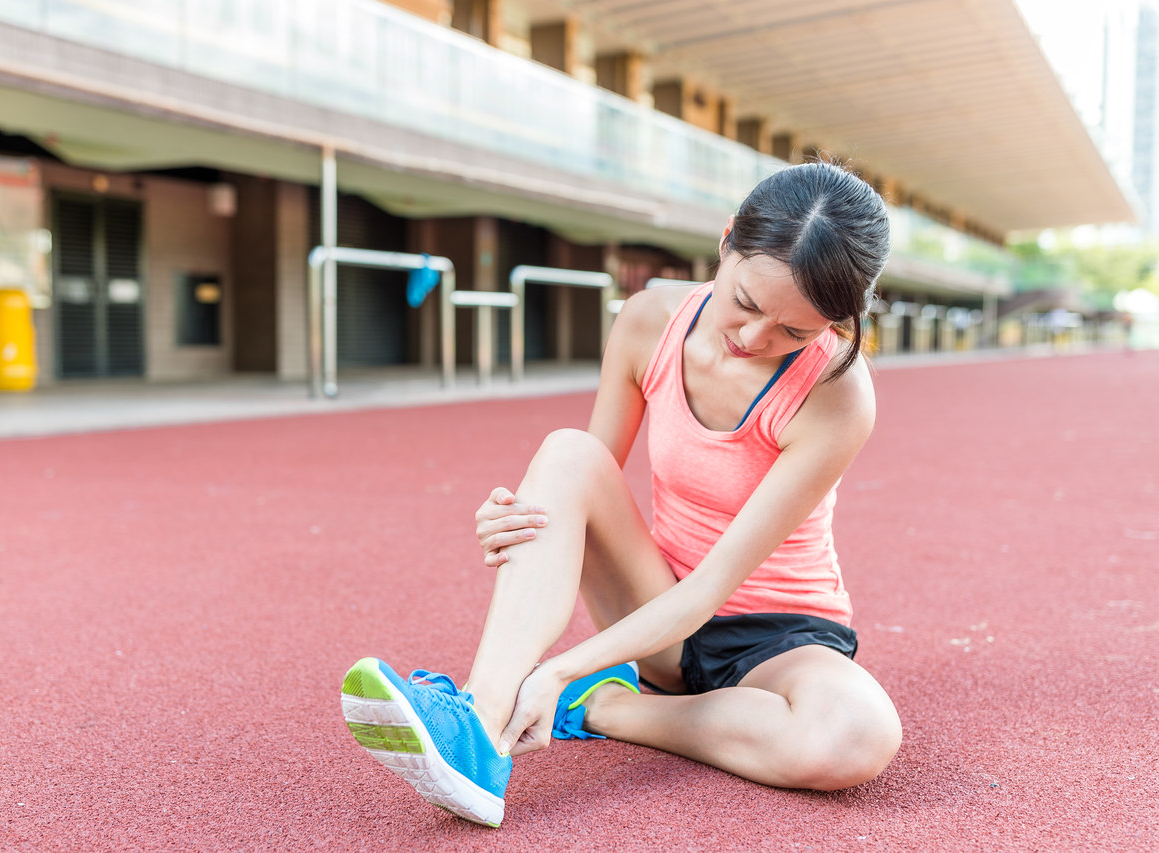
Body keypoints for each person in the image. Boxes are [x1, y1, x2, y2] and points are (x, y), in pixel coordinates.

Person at [340, 161, 902, 828]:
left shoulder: (838, 393)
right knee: (568, 451)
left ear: (834, 326)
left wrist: (558, 672)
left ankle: (607, 706)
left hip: (780, 638)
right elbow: (582, 483)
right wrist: (517, 519)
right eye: (745, 302)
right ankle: (478, 725)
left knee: (857, 733)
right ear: (726, 243)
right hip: (655, 602)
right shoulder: (648, 322)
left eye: (795, 332)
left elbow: (714, 587)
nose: (754, 339)